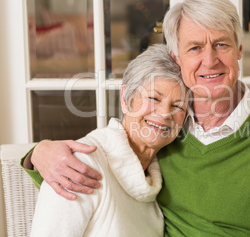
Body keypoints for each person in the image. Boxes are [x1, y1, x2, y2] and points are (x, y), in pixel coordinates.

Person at [22, 0, 250, 236]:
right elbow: (102, 169)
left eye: (221, 44)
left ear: (239, 50)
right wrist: (39, 153)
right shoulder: (167, 128)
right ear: (177, 58)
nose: (209, 61)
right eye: (195, 48)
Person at [29, 44, 188, 236]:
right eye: (154, 98)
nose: (164, 114)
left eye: (178, 106)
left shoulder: (157, 181)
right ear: (125, 99)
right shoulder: (79, 166)